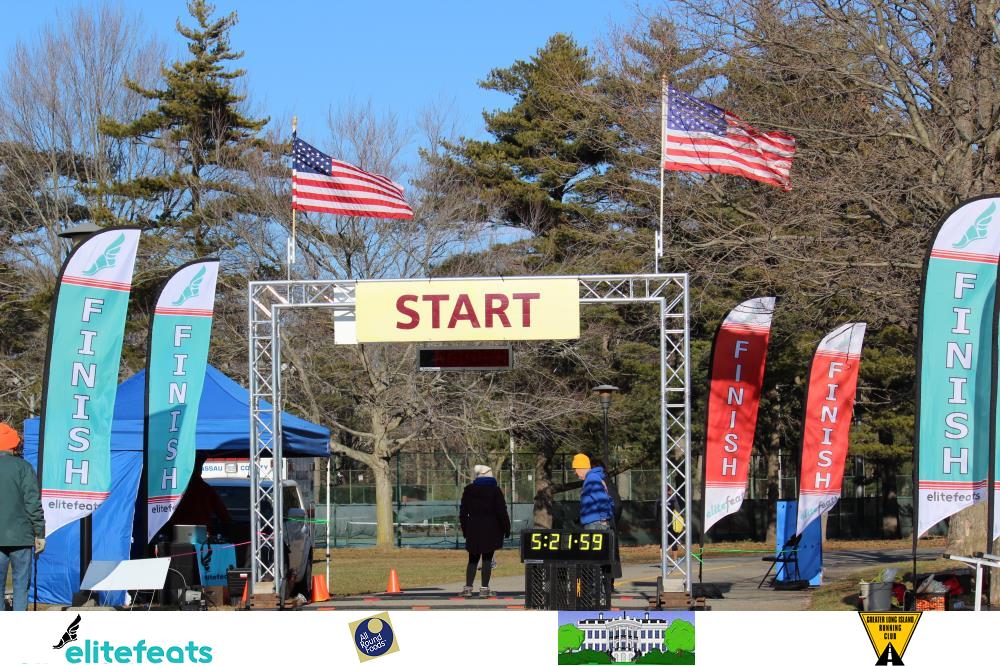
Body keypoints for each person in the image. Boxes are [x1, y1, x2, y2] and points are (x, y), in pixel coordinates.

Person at [0, 423, 45, 611]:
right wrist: (40, 533)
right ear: (14, 444)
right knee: (20, 585)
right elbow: (33, 503)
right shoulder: (24, 467)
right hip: (21, 536)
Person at [459, 464, 510, 598]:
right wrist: (506, 528)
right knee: (487, 559)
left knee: (472, 559)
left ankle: (468, 588)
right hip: (491, 528)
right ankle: (484, 589)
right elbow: (501, 511)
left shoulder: (469, 490)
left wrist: (465, 529)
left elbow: (463, 512)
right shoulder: (495, 490)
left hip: (473, 528)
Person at [573, 453, 613, 529]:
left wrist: (603, 519)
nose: (575, 473)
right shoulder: (592, 478)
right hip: (595, 523)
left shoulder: (591, 478)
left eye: (575, 469)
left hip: (595, 524)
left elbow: (602, 500)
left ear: (581, 468)